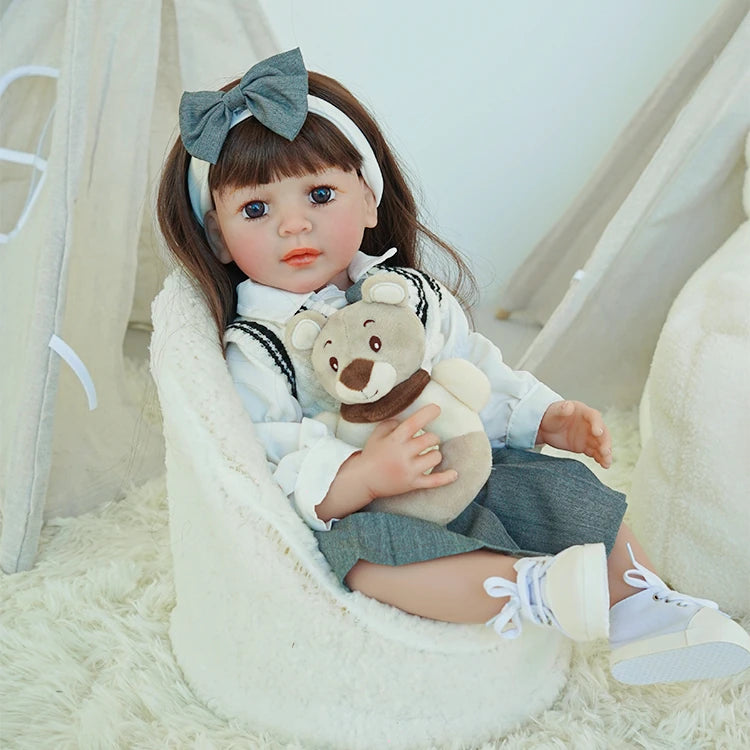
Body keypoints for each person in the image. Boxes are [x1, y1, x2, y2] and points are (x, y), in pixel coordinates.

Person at [157, 48, 750, 686]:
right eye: (255, 210)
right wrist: (364, 475)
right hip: (378, 509)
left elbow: (474, 372)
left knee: (567, 490)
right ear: (217, 236)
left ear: (368, 200)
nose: (293, 224)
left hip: (461, 463)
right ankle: (530, 590)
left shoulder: (410, 296)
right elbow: (271, 463)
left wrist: (544, 416)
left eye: (320, 194)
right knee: (368, 562)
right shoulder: (257, 348)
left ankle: (645, 604)